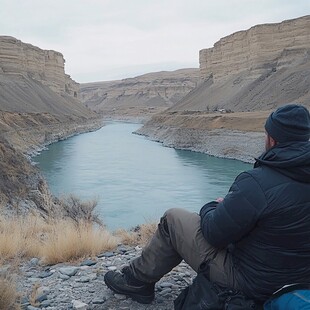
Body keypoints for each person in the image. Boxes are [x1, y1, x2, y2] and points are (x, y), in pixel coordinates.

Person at [104, 103, 310, 305]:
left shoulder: (257, 182)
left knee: (173, 219)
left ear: (272, 139)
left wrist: (212, 206)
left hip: (254, 284)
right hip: (301, 281)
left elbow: (214, 234)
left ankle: (136, 281)